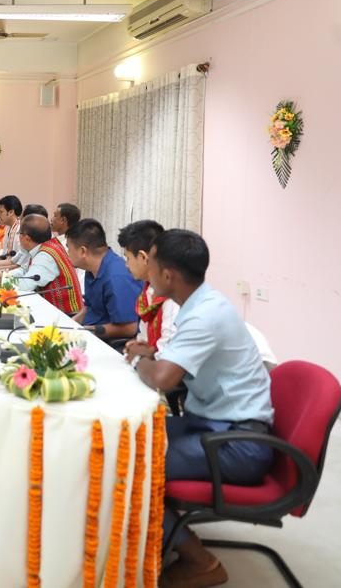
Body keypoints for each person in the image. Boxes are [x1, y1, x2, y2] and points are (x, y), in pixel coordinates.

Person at [131, 230, 273, 588]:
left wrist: (138, 361)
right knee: (126, 440)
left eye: (153, 263)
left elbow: (163, 379)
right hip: (214, 424)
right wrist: (153, 357)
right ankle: (154, 535)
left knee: (128, 464)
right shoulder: (199, 303)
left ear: (168, 276)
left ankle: (200, 562)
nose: (147, 271)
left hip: (238, 443)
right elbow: (172, 364)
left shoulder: (203, 315)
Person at [65, 218, 142, 342]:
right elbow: (90, 307)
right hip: (91, 332)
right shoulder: (91, 269)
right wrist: (70, 324)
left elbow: (129, 328)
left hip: (111, 343)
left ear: (83, 251)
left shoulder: (117, 276)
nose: (67, 254)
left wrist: (83, 332)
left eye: (69, 249)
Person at [118, 220, 179, 361]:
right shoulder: (149, 289)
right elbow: (145, 341)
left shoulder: (173, 299)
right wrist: (139, 346)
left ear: (143, 257)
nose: (126, 265)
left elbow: (165, 357)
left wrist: (142, 354)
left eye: (127, 258)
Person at [3, 215, 83, 315]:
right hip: (54, 310)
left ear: (27, 238)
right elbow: (25, 270)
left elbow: (26, 285)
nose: (19, 238)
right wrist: (5, 275)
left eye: (20, 233)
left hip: (67, 316)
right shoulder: (46, 246)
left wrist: (3, 280)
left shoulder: (45, 256)